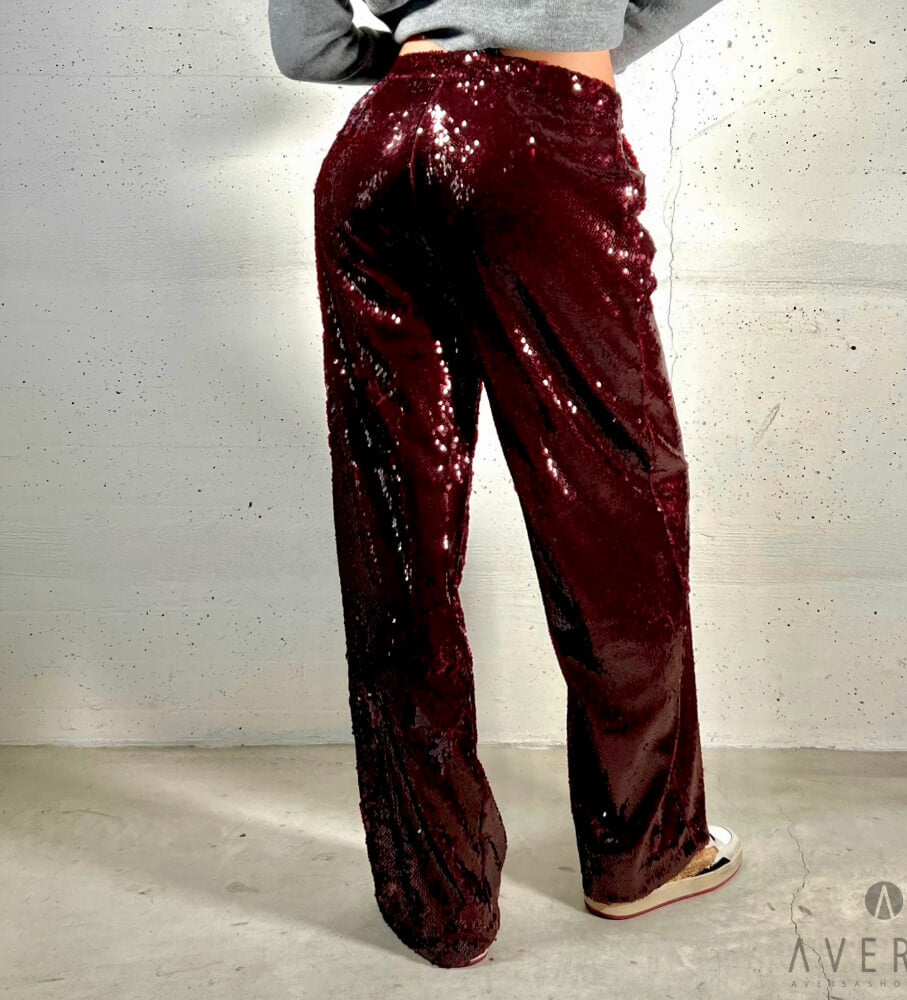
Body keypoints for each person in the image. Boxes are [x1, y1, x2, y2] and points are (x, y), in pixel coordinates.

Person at [267, 0, 742, 970]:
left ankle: (438, 902)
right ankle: (642, 850)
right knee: (615, 503)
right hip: (540, 137)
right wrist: (579, 35)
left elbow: (303, 43)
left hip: (379, 144)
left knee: (396, 527)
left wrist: (429, 59)